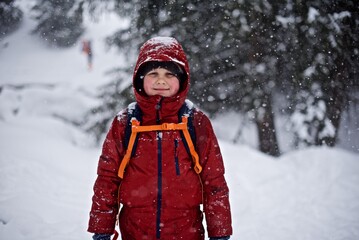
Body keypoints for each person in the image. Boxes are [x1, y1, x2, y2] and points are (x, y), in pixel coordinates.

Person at [88, 36, 232, 240]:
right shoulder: (125, 122)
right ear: (140, 79)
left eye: (169, 74)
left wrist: (220, 232)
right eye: (153, 73)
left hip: (185, 231)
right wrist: (101, 228)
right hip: (136, 230)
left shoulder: (195, 122)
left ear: (182, 80)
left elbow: (214, 181)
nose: (161, 80)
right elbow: (107, 179)